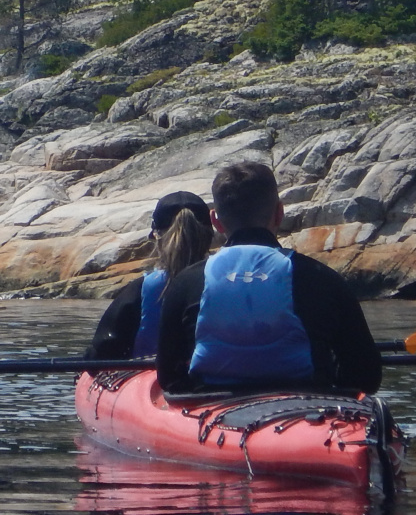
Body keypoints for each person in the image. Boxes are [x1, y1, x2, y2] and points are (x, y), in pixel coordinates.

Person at [155, 160, 382, 395]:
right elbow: (366, 377)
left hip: (210, 408)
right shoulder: (322, 278)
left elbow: (169, 377)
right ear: (279, 213)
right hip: (311, 411)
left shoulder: (186, 282)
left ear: (215, 221)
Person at [86, 191, 214, 360]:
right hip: (212, 379)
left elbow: (101, 351)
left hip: (149, 378)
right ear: (211, 234)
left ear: (156, 235)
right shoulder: (227, 281)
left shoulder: (139, 290)